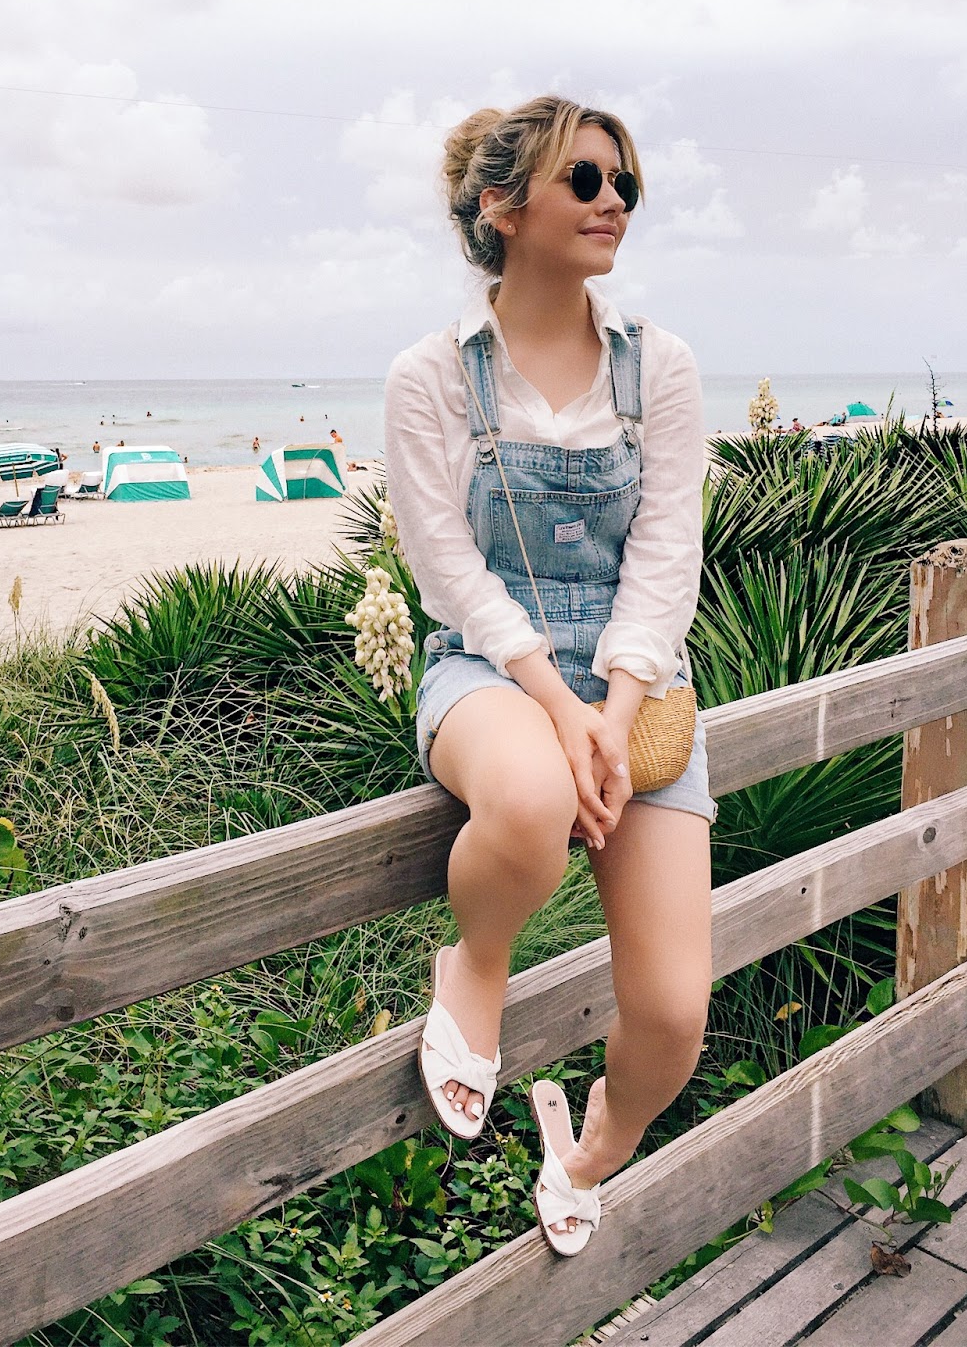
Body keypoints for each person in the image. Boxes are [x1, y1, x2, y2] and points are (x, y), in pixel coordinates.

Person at [384, 96, 714, 1258]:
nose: (612, 199)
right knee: (527, 798)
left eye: (624, 182)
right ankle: (476, 965)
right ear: (504, 206)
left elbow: (667, 553)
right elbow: (445, 566)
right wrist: (559, 707)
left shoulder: (659, 366)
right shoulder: (432, 375)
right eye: (584, 179)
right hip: (487, 668)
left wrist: (612, 713)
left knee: (672, 1016)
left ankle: (588, 1149)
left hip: (639, 686)